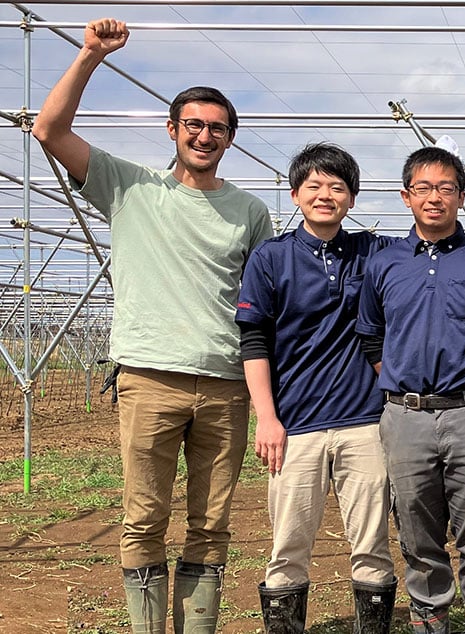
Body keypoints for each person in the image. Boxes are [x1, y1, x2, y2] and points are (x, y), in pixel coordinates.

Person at [31, 18, 273, 634]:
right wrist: (90, 55)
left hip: (225, 385)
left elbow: (262, 301)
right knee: (143, 517)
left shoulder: (249, 211)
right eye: (193, 124)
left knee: (211, 522)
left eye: (217, 128)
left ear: (230, 139)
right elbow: (50, 130)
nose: (204, 135)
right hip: (149, 379)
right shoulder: (129, 187)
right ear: (173, 130)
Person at [236, 143, 397, 633]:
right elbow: (254, 338)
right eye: (315, 186)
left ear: (351, 199)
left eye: (338, 187)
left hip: (366, 423)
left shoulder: (375, 252)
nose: (326, 195)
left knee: (372, 545)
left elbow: (436, 245)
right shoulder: (271, 258)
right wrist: (266, 417)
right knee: (288, 546)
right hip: (296, 426)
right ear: (295, 195)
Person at [356, 145, 465, 634]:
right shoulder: (385, 263)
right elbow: (370, 332)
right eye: (423, 188)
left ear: (461, 197)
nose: (435, 197)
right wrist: (401, 378)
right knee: (417, 532)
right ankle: (430, 618)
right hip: (405, 416)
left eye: (446, 188)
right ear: (406, 197)